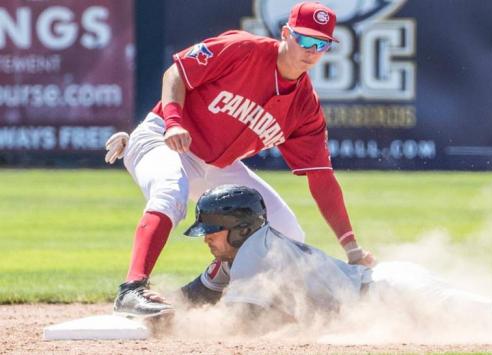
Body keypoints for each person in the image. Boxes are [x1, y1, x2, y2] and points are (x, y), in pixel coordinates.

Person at [106, 2, 375, 318]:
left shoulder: (305, 106)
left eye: (321, 44)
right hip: (162, 137)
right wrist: (175, 121)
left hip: (216, 164)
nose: (311, 50)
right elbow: (175, 73)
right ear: (286, 33)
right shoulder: (243, 48)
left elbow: (322, 179)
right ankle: (132, 289)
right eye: (304, 39)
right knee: (170, 190)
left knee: (286, 231)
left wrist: (351, 247)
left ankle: (213, 281)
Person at [179, 184, 492, 334]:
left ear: (240, 228)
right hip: (383, 294)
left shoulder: (257, 253)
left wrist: (175, 328)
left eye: (212, 231)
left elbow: (238, 325)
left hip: (396, 294)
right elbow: (197, 296)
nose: (206, 239)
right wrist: (153, 307)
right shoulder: (239, 253)